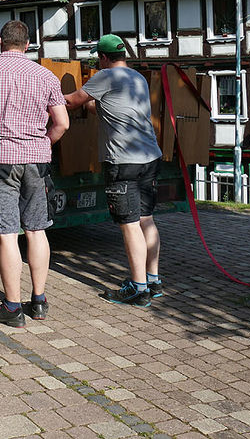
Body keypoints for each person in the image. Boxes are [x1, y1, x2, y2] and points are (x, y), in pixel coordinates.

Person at [0, 20, 69, 327]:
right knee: (37, 229)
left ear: (0, 43)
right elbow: (62, 123)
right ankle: (40, 301)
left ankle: (11, 307)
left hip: (0, 160)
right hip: (36, 160)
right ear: (28, 44)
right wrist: (44, 143)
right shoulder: (46, 76)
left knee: (7, 233)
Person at [64, 34, 164, 307]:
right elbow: (110, 107)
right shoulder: (137, 78)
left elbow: (71, 102)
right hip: (150, 156)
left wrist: (45, 97)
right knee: (146, 219)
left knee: (129, 224)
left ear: (104, 58)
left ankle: (137, 288)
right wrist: (91, 102)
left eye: (99, 58)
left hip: (123, 161)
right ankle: (153, 280)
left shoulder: (104, 76)